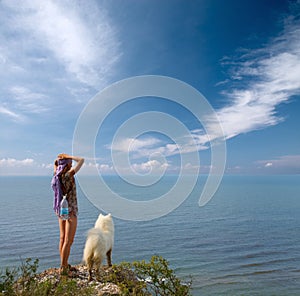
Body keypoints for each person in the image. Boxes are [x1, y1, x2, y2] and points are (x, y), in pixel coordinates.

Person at [51, 153, 84, 276]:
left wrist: (59, 160)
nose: (72, 164)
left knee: (62, 238)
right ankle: (63, 268)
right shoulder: (69, 175)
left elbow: (55, 164)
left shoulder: (57, 175)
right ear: (68, 164)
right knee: (68, 241)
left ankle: (64, 264)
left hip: (61, 209)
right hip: (71, 211)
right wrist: (67, 155)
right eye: (70, 163)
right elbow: (81, 160)